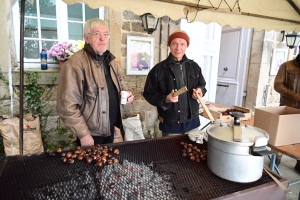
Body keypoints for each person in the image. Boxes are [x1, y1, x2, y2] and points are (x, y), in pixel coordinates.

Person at [57, 18, 134, 146]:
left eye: (106, 34)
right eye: (97, 34)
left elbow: (120, 87)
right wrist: (84, 135)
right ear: (86, 38)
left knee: (107, 165)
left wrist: (127, 94)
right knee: (90, 166)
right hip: (91, 134)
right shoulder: (74, 65)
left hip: (111, 129)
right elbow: (67, 106)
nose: (102, 38)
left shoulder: (112, 63)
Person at [143, 30, 207, 136]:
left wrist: (200, 90)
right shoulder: (158, 69)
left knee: (192, 151)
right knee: (171, 152)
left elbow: (202, 85)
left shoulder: (194, 66)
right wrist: (165, 99)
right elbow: (148, 94)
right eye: (174, 44)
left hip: (193, 123)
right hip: (170, 125)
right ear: (169, 45)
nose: (178, 48)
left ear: (187, 46)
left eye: (182, 44)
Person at [274, 52, 300, 172]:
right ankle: (277, 159)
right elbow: (278, 85)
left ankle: (299, 162)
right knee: (283, 136)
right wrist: (295, 96)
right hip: (289, 106)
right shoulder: (287, 66)